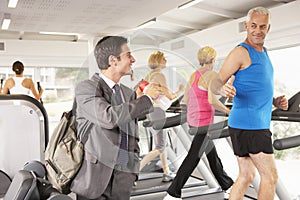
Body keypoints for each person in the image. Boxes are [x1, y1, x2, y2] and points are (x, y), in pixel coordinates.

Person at [209, 7, 288, 200]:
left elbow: (257, 87)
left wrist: (274, 101)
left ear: (268, 28)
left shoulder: (264, 52)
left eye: (262, 26)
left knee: (246, 176)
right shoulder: (240, 52)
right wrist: (223, 90)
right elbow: (214, 82)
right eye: (253, 26)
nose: (257, 30)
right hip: (251, 125)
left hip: (244, 124)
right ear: (246, 26)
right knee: (270, 177)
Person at [70, 36, 162, 200]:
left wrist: (133, 168)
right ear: (113, 60)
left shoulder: (128, 92)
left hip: (123, 177)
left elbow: (131, 126)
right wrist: (146, 99)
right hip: (96, 178)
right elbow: (108, 117)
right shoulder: (86, 88)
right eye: (128, 55)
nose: (133, 59)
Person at [164, 46, 233, 200]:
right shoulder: (212, 75)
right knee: (193, 157)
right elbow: (212, 100)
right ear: (213, 60)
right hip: (204, 123)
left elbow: (186, 100)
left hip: (194, 121)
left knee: (211, 155)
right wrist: (229, 112)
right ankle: (173, 192)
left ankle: (227, 184)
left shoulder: (194, 75)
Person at [137, 51, 184, 182]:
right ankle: (134, 172)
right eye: (163, 58)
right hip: (158, 112)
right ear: (158, 61)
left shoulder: (149, 76)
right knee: (160, 147)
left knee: (163, 144)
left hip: (152, 111)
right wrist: (181, 90)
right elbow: (170, 96)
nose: (166, 61)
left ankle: (166, 170)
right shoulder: (160, 75)